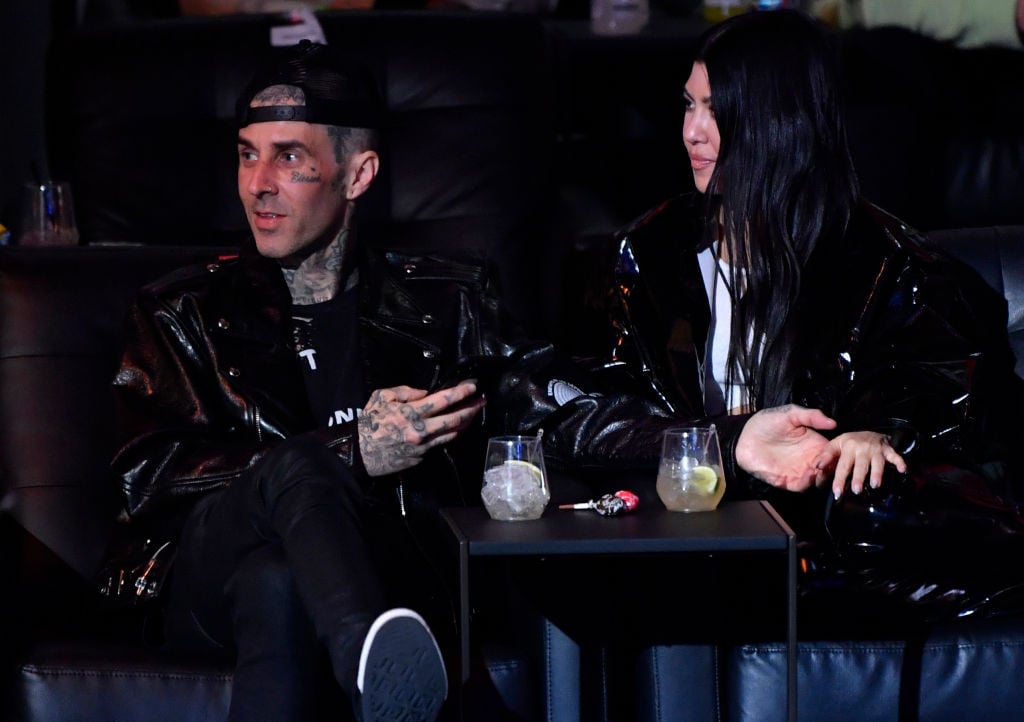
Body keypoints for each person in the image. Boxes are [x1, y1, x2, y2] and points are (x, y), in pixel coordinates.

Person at [541, 8, 1024, 605]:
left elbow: (958, 405)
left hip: (816, 554)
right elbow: (577, 409)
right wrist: (724, 441)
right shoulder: (647, 257)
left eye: (717, 110)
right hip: (685, 537)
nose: (693, 131)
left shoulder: (892, 266)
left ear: (781, 123)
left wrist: (882, 436)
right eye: (688, 106)